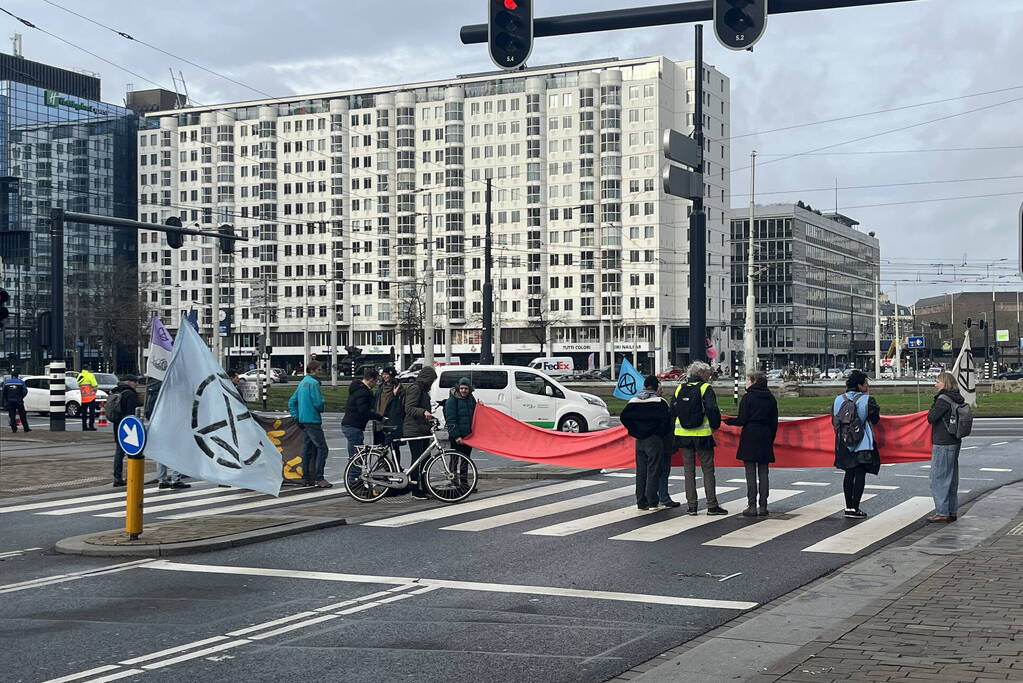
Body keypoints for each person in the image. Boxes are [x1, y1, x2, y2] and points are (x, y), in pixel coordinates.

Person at [673, 360, 726, 515]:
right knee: (708, 470)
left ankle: (692, 506)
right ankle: (712, 505)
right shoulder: (705, 388)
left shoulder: (680, 388)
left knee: (688, 471)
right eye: (708, 373)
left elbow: (673, 411)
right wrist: (715, 425)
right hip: (702, 435)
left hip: (683, 435)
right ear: (701, 374)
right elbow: (711, 409)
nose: (709, 376)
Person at [725, 371, 778, 517]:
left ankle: (752, 505)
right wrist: (770, 437)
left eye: (748, 380)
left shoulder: (748, 397)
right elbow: (774, 422)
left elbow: (742, 419)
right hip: (765, 434)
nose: (747, 382)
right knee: (764, 472)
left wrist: (728, 421)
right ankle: (763, 506)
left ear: (753, 381)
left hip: (750, 434)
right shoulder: (771, 398)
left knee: (750, 472)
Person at [832, 369, 881, 518]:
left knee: (848, 473)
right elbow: (875, 420)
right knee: (860, 474)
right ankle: (856, 506)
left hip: (844, 442)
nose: (867, 386)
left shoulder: (838, 399)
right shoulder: (867, 400)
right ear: (860, 385)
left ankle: (848, 508)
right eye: (866, 384)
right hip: (863, 443)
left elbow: (835, 421)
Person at [621, 375, 673, 510]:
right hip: (654, 439)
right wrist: (658, 432)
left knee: (641, 471)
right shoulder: (660, 402)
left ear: (644, 386)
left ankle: (641, 501)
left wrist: (634, 430)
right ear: (656, 387)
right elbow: (667, 422)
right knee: (654, 470)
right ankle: (652, 501)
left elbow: (624, 418)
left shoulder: (633, 401)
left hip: (639, 440)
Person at [926, 371, 965, 523]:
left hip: (943, 441)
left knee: (939, 478)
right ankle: (952, 511)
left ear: (944, 383)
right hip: (955, 440)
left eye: (937, 382)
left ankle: (942, 512)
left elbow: (931, 417)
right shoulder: (957, 397)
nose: (935, 385)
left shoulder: (943, 399)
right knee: (952, 477)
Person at [341, 367, 384, 487]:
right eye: (375, 381)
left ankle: (354, 482)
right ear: (371, 380)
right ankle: (354, 484)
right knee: (356, 457)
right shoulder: (363, 392)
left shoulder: (357, 388)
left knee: (356, 456)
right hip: (354, 426)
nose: (376, 384)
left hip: (350, 425)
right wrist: (380, 417)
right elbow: (363, 411)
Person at [288, 360, 328, 487]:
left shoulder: (303, 382)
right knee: (322, 448)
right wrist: (322, 404)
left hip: (304, 421)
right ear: (313, 370)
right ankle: (319, 477)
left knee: (307, 450)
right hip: (313, 420)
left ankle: (306, 477)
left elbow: (292, 402)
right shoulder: (314, 383)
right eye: (319, 369)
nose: (320, 372)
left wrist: (297, 417)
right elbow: (318, 403)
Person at [403, 365, 438, 500]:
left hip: (422, 429)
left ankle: (424, 485)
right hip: (414, 429)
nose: (431, 383)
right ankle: (415, 489)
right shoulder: (416, 389)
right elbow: (409, 408)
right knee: (417, 459)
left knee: (425, 459)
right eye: (431, 380)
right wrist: (423, 412)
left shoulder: (423, 390)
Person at [443, 376, 477, 490]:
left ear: (469, 389)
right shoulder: (452, 400)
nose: (463, 391)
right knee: (454, 459)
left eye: (466, 389)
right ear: (458, 388)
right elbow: (451, 419)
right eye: (462, 388)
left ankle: (464, 483)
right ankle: (453, 481)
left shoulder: (471, 399)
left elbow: (476, 414)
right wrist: (456, 436)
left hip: (468, 435)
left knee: (465, 460)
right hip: (456, 436)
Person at [108, 375, 141, 487]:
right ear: (129, 382)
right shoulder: (129, 394)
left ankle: (117, 477)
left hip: (118, 425)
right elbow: (131, 413)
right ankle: (130, 476)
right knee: (133, 452)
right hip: (128, 427)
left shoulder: (116, 391)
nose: (136, 384)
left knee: (119, 452)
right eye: (135, 382)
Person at [374, 366, 398, 444]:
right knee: (379, 445)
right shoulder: (381, 387)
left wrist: (395, 395)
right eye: (383, 374)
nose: (384, 376)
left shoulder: (398, 388)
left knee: (393, 446)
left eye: (386, 374)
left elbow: (400, 405)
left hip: (391, 420)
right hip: (379, 420)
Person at [76, 366, 99, 431]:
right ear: (88, 369)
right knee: (92, 412)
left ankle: (84, 427)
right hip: (91, 397)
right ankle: (91, 426)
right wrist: (94, 390)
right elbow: (95, 385)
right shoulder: (90, 375)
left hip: (83, 397)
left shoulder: (80, 375)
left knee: (84, 413)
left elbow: (78, 383)